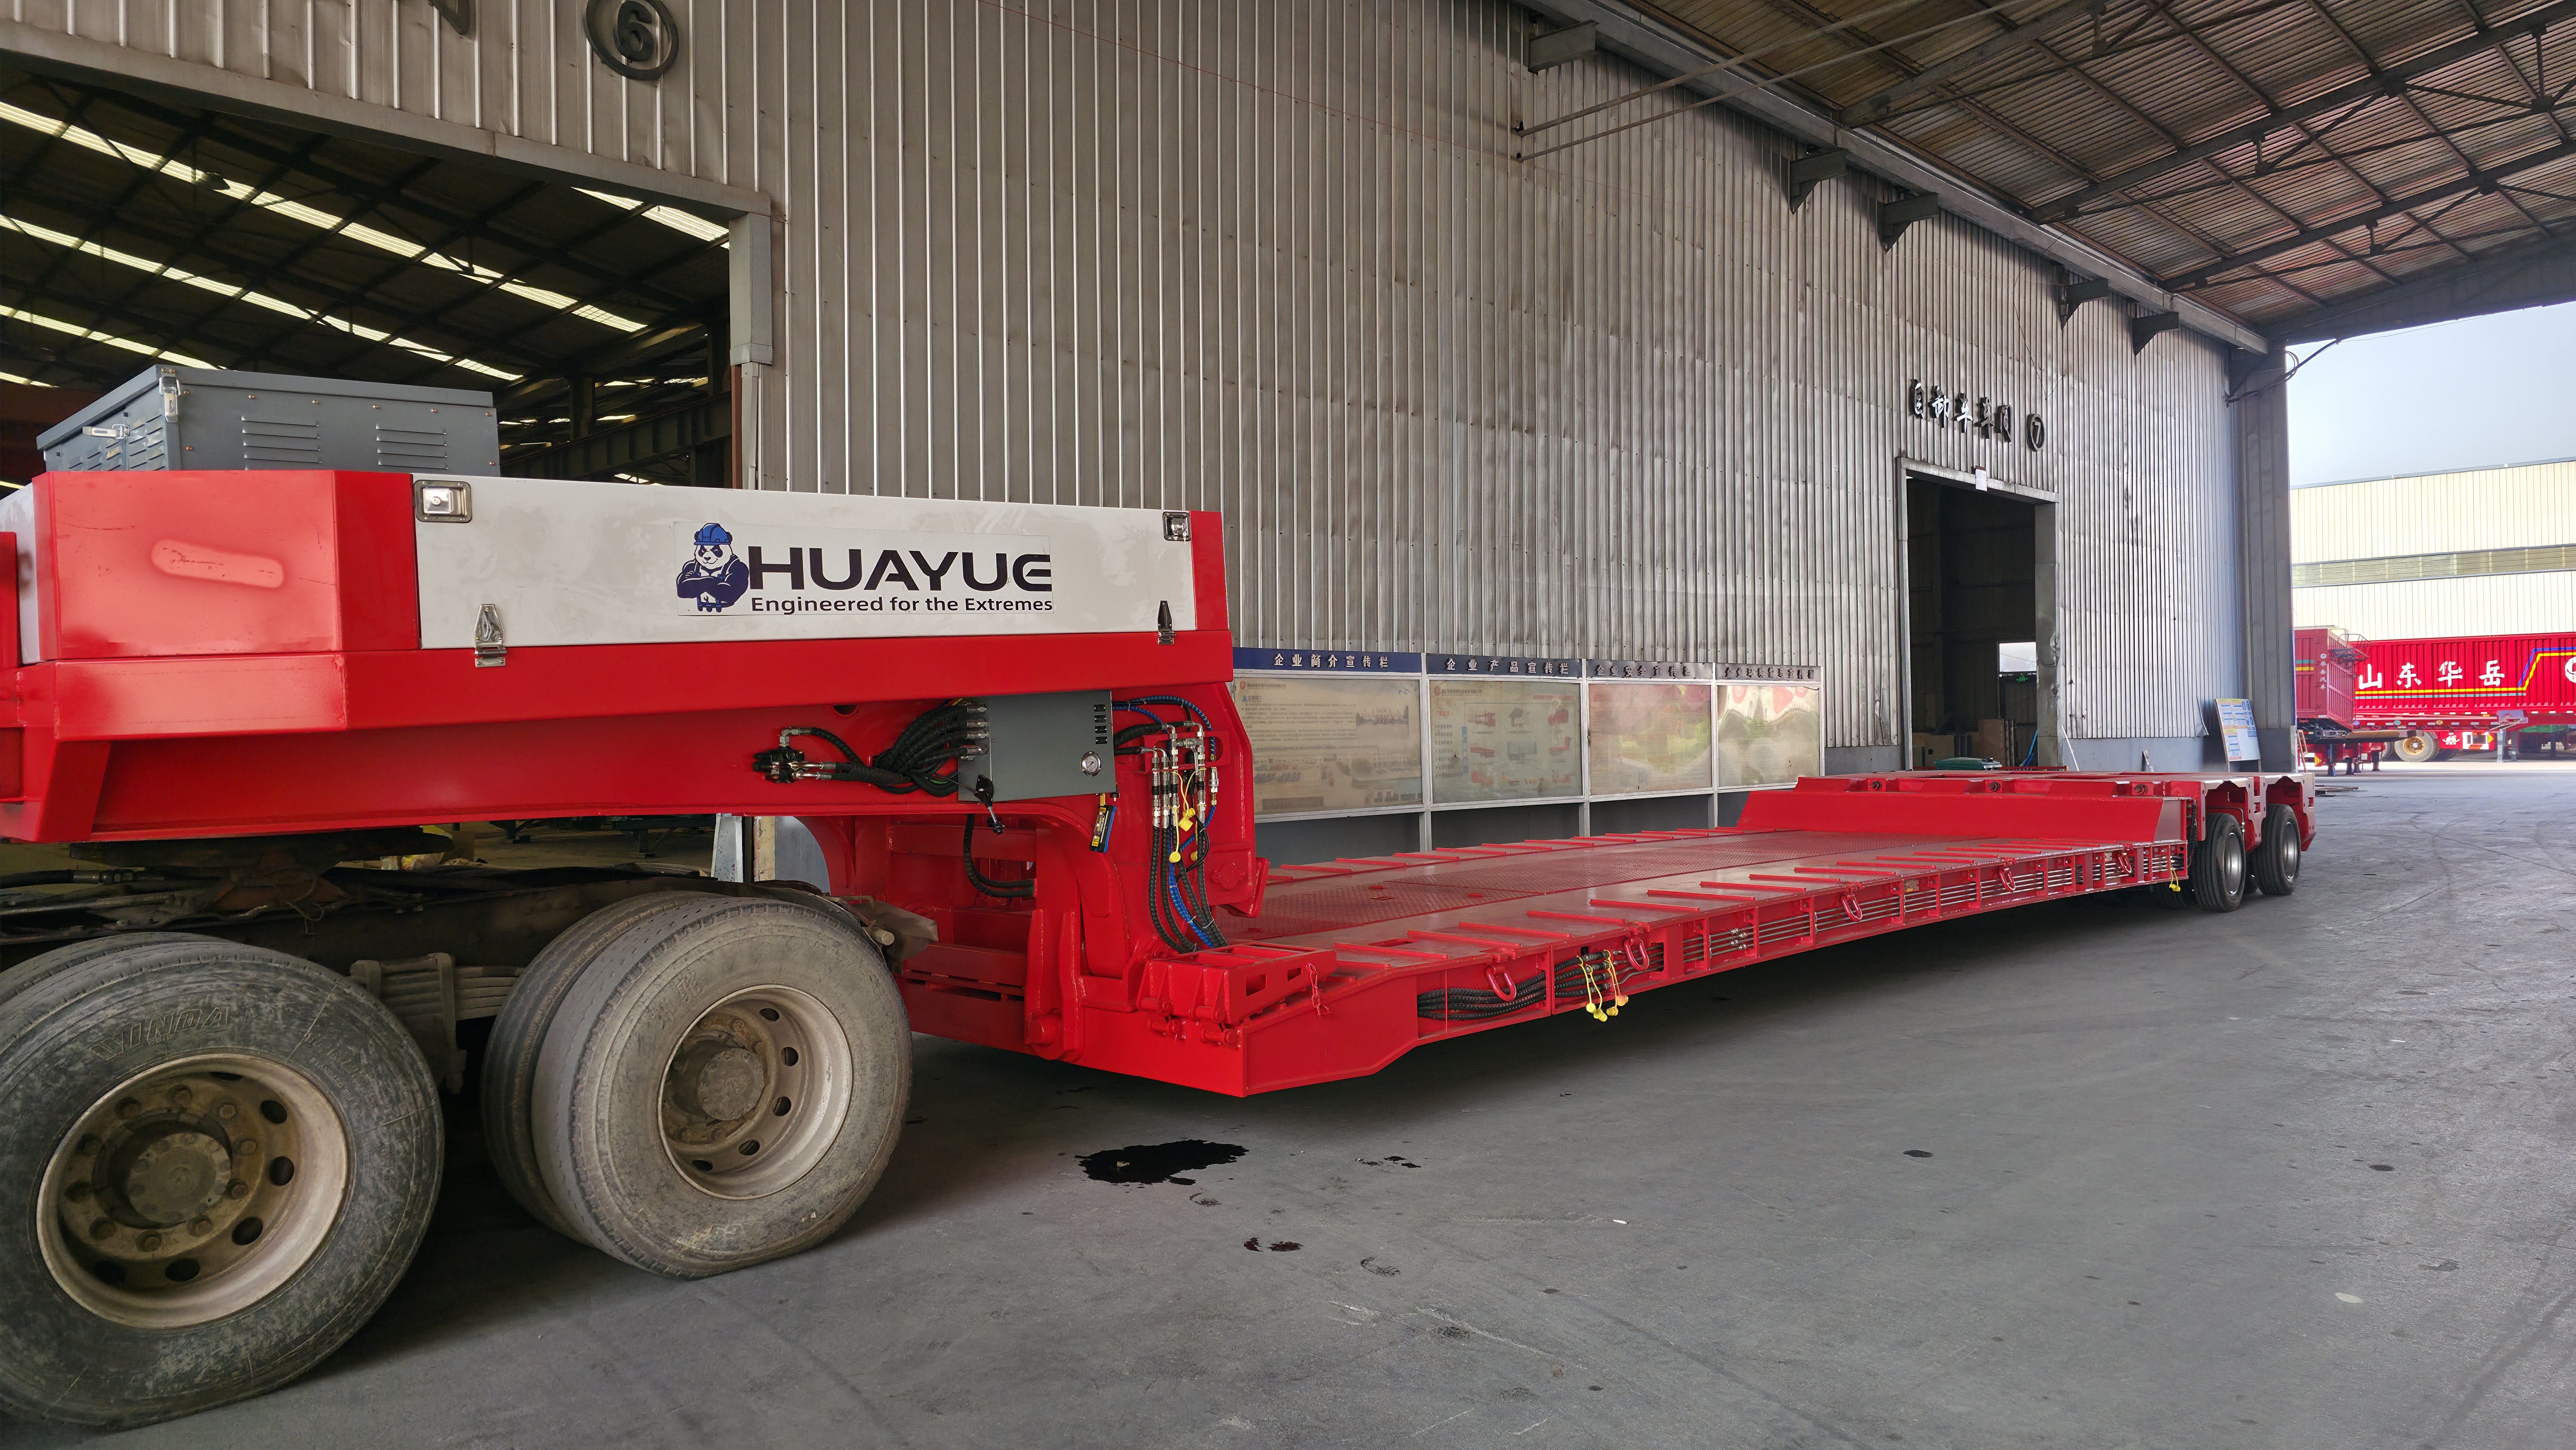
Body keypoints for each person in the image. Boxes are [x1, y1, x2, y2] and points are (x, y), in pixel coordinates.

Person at [678, 522, 749, 611]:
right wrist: (714, 584)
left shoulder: (738, 568)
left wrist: (702, 583)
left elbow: (730, 594)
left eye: (715, 551)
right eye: (703, 550)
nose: (707, 556)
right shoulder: (692, 566)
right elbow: (682, 591)